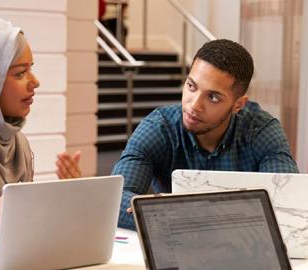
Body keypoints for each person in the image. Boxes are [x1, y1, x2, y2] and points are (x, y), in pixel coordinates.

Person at [112, 39, 299, 230]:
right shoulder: (159, 128)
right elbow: (116, 198)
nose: (194, 105)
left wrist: (167, 214)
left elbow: (288, 203)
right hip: (177, 244)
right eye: (191, 87)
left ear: (238, 105)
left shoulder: (261, 131)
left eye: (213, 97)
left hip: (241, 251)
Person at [0, 14, 81, 256]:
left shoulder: (16, 146)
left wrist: (67, 199)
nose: (35, 82)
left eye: (30, 70)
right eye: (19, 73)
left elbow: (23, 243)